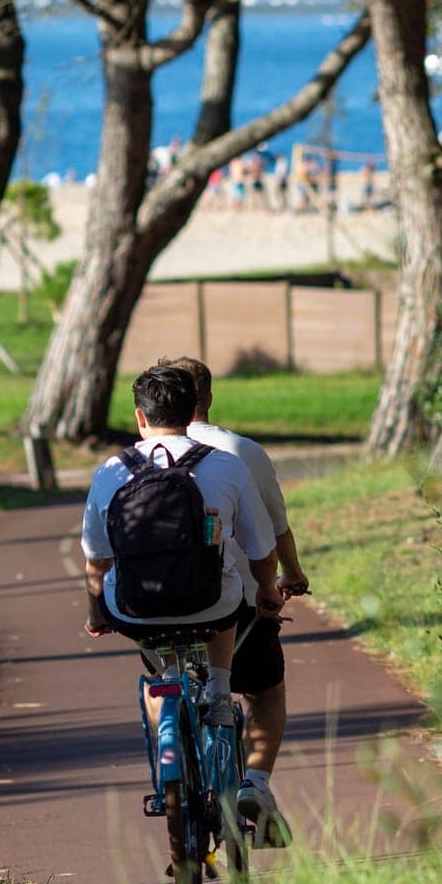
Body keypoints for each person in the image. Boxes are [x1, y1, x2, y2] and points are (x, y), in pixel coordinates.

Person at [82, 366, 285, 738]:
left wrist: (98, 616)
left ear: (140, 417)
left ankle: (168, 746)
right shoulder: (227, 466)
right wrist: (268, 591)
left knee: (154, 673)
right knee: (229, 592)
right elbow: (260, 549)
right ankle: (220, 691)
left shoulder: (109, 472)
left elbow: (97, 561)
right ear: (194, 410)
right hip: (211, 605)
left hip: (134, 610)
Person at [158, 354, 308, 846]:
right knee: (264, 691)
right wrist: (290, 577)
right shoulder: (238, 452)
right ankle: (254, 782)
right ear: (208, 396)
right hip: (237, 604)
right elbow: (274, 527)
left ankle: (169, 756)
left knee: (166, 679)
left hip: (156, 608)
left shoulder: (136, 458)